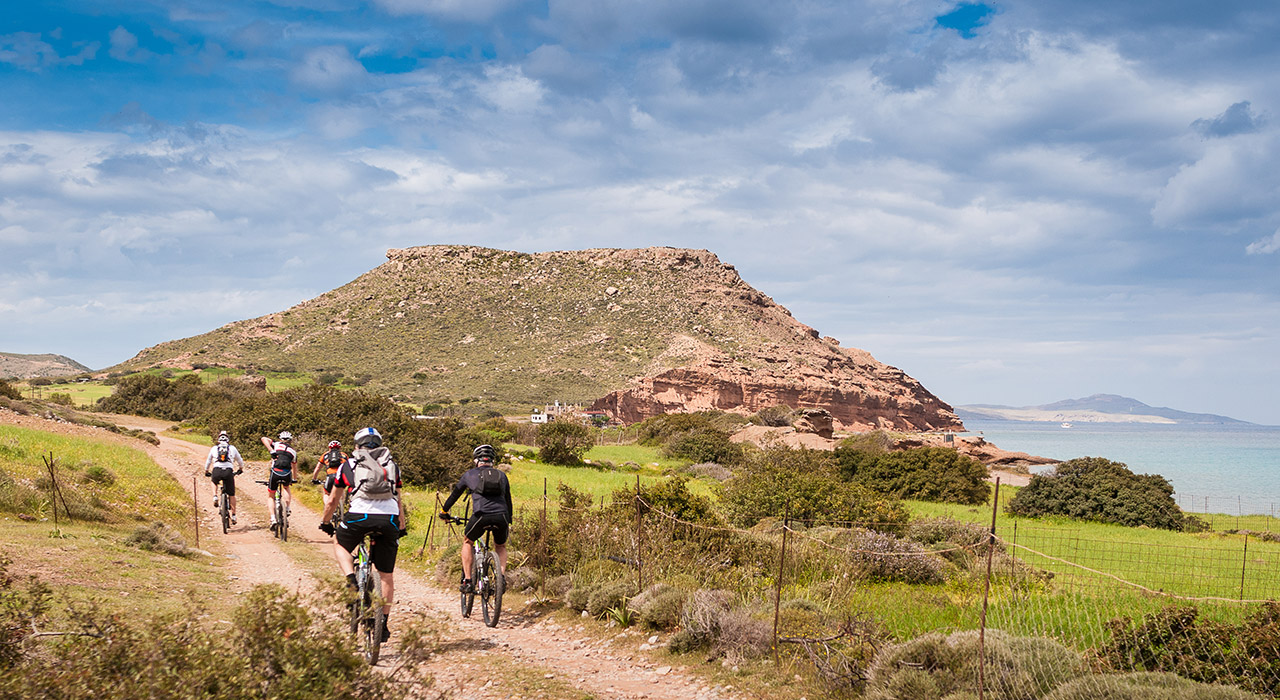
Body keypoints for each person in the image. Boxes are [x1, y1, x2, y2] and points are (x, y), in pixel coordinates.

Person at [319, 427, 406, 643]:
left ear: (357, 445)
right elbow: (399, 500)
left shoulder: (348, 464)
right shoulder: (391, 464)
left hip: (358, 516)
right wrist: (401, 527)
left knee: (339, 542)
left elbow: (332, 500)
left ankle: (351, 580)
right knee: (386, 575)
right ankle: (383, 625)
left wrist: (326, 522)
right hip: (389, 519)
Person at [438, 444, 513, 594]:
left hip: (481, 515)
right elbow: (508, 500)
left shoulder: (469, 475)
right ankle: (501, 578)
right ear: (492, 460)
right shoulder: (502, 475)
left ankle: (467, 581)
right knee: (501, 546)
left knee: (468, 541)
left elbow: (454, 495)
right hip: (502, 516)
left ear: (476, 460)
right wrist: (508, 520)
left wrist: (444, 511)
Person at [260, 431, 299, 533]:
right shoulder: (293, 452)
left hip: (275, 472)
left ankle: (273, 518)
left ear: (281, 439)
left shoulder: (276, 445)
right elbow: (294, 467)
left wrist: (271, 450)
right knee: (286, 487)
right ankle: (287, 508)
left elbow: (263, 439)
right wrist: (294, 479)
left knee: (271, 496)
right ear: (290, 441)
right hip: (286, 474)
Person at [203, 431, 244, 525]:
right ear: (228, 440)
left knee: (214, 481)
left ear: (218, 440)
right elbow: (239, 459)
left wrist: (206, 470)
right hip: (228, 471)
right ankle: (233, 515)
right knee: (232, 494)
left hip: (217, 470)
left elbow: (209, 460)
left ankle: (215, 496)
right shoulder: (232, 448)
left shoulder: (214, 448)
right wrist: (240, 468)